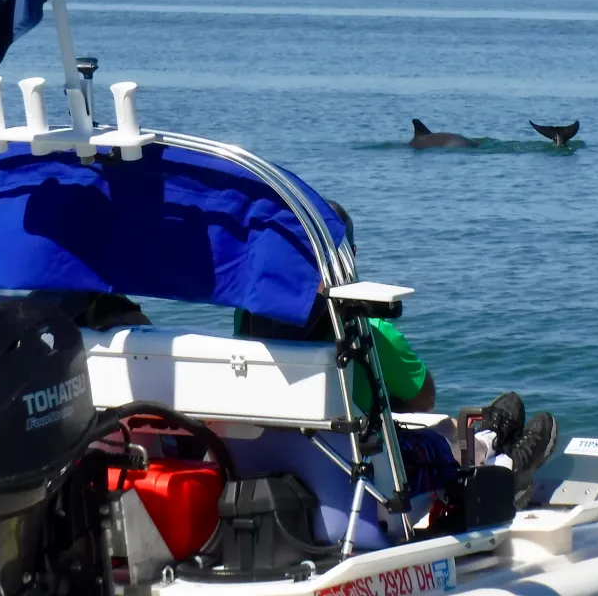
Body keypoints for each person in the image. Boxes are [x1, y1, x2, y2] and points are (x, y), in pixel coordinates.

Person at [235, 199, 558, 508]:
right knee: (442, 439)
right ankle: (500, 461)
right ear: (348, 257)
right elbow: (423, 399)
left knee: (450, 427)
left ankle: (485, 437)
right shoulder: (368, 331)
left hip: (273, 456)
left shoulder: (246, 321)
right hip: (361, 471)